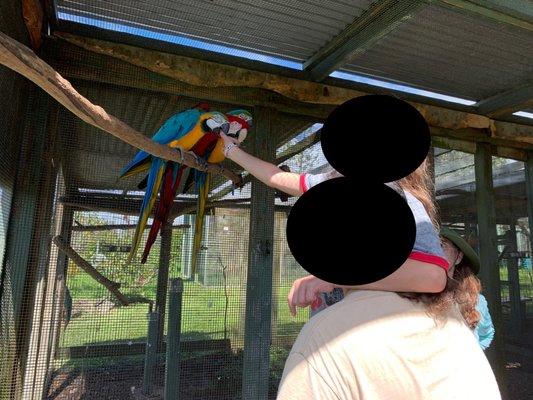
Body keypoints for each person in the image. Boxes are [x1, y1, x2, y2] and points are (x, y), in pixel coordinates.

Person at [220, 133, 448, 306]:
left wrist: (335, 279)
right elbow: (276, 177)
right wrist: (230, 149)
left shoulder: (405, 200)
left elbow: (433, 277)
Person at [440, 227, 495, 350]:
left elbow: (486, 334)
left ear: (458, 257)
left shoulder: (476, 301)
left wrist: (472, 355)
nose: (433, 251)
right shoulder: (410, 297)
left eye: (441, 244)